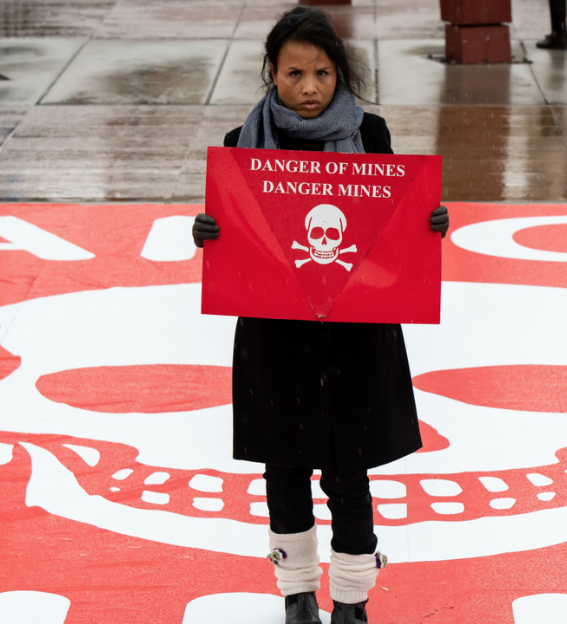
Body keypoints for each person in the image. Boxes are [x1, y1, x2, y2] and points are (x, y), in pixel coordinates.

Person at [192, 7, 449, 624]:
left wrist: (429, 223)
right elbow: (238, 237)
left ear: (341, 74)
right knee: (282, 467)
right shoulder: (241, 147)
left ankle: (352, 603)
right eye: (294, 73)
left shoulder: (374, 134)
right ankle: (298, 596)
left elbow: (393, 227)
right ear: (271, 74)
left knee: (348, 471)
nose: (309, 88)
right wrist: (208, 231)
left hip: (353, 341)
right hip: (275, 339)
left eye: (323, 73)